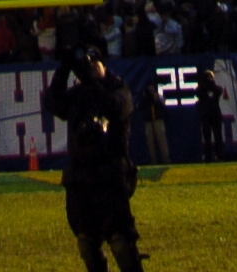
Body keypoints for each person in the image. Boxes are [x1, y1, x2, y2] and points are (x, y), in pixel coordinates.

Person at [47, 47, 143, 272]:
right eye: (85, 66)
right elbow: (53, 103)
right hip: (81, 176)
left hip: (110, 174)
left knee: (120, 242)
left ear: (103, 65)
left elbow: (117, 107)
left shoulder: (117, 88)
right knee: (86, 242)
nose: (89, 68)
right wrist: (64, 70)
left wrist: (92, 85)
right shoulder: (78, 94)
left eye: (94, 64)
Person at [198, 66, 227, 162]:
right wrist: (207, 84)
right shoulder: (201, 90)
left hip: (214, 115)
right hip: (207, 115)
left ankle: (219, 156)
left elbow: (219, 90)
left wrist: (209, 84)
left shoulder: (214, 89)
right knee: (207, 137)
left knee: (217, 136)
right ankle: (208, 157)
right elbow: (198, 92)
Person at [139, 78, 170, 166]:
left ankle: (166, 160)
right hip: (148, 121)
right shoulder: (144, 97)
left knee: (162, 141)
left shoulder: (158, 96)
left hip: (158, 120)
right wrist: (146, 99)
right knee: (150, 143)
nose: (151, 91)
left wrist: (155, 99)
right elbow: (139, 107)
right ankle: (153, 162)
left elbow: (163, 105)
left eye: (152, 89)